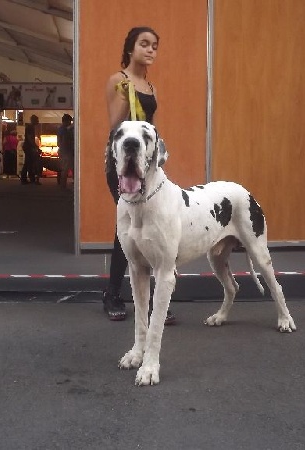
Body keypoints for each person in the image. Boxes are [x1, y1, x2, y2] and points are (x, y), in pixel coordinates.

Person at [102, 26, 175, 324]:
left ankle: (156, 300)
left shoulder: (150, 86)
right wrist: (124, 95)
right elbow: (115, 126)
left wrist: (155, 160)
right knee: (128, 226)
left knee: (151, 227)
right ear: (130, 48)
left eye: (154, 46)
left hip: (144, 165)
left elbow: (152, 128)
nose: (150, 50)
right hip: (121, 164)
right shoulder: (117, 80)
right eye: (144, 44)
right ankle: (112, 295)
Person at [20, 117, 42, 185]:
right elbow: (30, 139)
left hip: (28, 147)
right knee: (29, 163)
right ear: (33, 120)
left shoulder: (30, 127)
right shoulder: (30, 128)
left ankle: (26, 178)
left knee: (28, 163)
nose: (38, 122)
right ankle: (29, 179)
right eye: (37, 120)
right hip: (28, 147)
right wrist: (35, 147)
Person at [57, 114, 74, 189]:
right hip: (66, 151)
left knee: (64, 168)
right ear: (66, 121)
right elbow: (65, 141)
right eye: (69, 121)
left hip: (63, 151)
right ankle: (63, 185)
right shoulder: (65, 130)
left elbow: (59, 142)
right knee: (66, 169)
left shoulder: (61, 129)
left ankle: (62, 184)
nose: (70, 123)